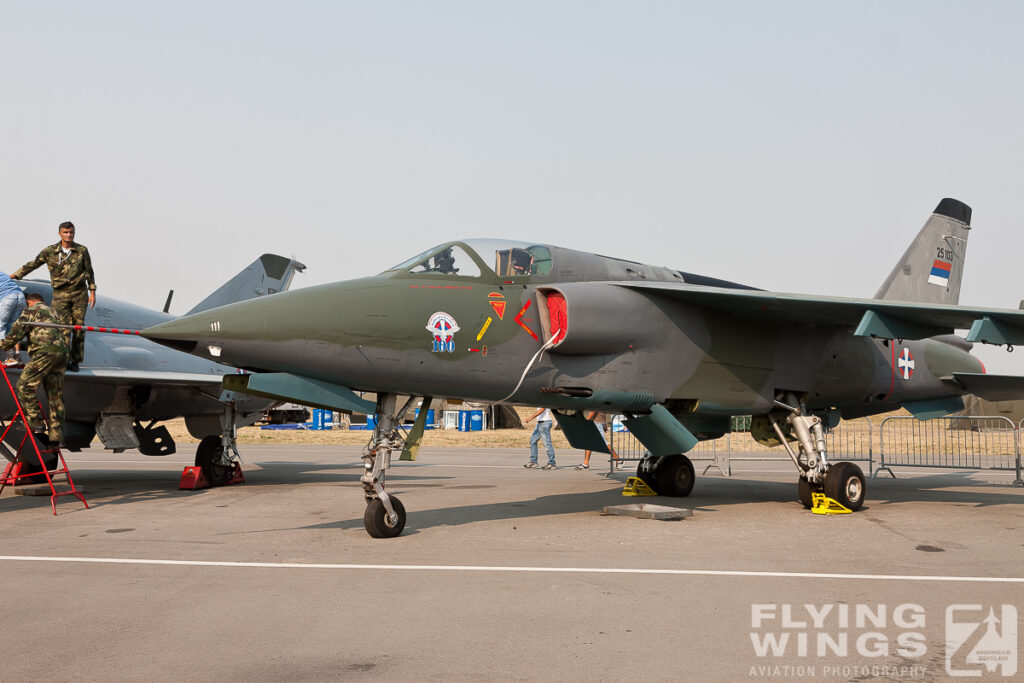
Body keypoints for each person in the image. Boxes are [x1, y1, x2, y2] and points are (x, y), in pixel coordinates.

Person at [11, 221, 97, 373]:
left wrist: (92, 291)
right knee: (60, 327)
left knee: (78, 327)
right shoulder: (50, 251)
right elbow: (34, 263)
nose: (69, 235)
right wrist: (16, 275)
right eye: (65, 232)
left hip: (79, 293)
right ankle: (62, 360)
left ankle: (75, 360)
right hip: (60, 294)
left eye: (71, 232)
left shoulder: (82, 250)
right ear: (60, 234)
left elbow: (89, 271)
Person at [0, 292, 70, 445]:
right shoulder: (53, 312)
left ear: (29, 302)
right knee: (55, 395)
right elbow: (46, 336)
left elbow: (17, 332)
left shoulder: (30, 311)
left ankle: (35, 422)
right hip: (62, 354)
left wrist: (3, 345)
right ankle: (57, 436)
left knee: (24, 387)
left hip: (44, 353)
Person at [0, 270, 26, 364]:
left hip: (7, 298)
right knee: (13, 329)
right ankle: (17, 356)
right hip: (20, 296)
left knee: (0, 327)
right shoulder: (2, 273)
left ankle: (10, 357)